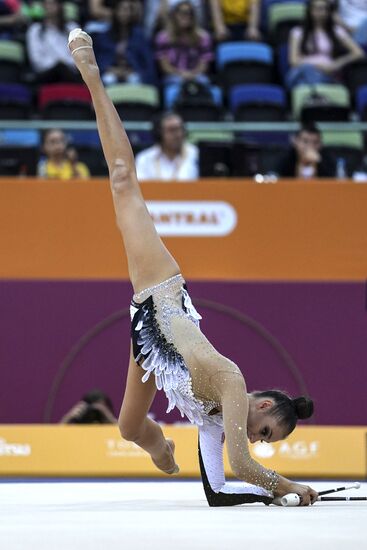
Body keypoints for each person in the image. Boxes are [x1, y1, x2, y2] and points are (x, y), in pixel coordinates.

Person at [68, 28, 318, 506]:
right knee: (122, 181)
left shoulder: (212, 419)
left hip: (149, 339)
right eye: (265, 431)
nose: (259, 440)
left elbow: (218, 489)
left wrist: (271, 498)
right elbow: (243, 465)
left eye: (266, 440)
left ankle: (158, 443)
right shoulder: (233, 382)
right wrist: (289, 487)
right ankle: (91, 72)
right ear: (261, 405)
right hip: (161, 291)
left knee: (127, 427)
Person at [286, 0, 364, 89]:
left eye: (325, 9)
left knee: (310, 81)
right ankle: (317, 94)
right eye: (319, 9)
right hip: (301, 72)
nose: (322, 12)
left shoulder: (336, 31)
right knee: (308, 72)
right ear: (310, 10)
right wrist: (317, 66)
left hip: (327, 75)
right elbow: (293, 61)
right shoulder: (298, 32)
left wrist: (336, 64)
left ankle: (314, 95)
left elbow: (359, 53)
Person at [90, 0, 156, 86]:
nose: (126, 13)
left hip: (133, 73)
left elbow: (146, 62)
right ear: (115, 11)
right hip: (110, 72)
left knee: (134, 80)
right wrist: (109, 69)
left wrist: (134, 71)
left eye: (129, 9)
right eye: (122, 9)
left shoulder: (139, 37)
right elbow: (99, 60)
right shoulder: (104, 37)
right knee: (109, 79)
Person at [154, 1, 213, 91]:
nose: (186, 16)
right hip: (173, 76)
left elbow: (204, 64)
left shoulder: (203, 37)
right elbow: (165, 66)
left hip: (196, 75)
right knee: (177, 84)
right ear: (174, 15)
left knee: (203, 82)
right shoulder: (163, 37)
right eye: (182, 12)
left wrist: (192, 74)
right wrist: (181, 74)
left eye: (189, 13)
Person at [26, 0, 80, 83]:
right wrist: (56, 64)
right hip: (47, 72)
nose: (49, 7)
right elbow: (36, 60)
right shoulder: (35, 30)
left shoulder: (72, 28)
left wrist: (63, 64)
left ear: (60, 5)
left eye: (52, 3)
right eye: (46, 4)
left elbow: (79, 56)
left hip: (70, 71)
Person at [135, 112, 198, 180]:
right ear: (159, 133)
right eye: (171, 130)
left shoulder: (196, 155)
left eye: (180, 129)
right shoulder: (144, 158)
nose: (177, 134)